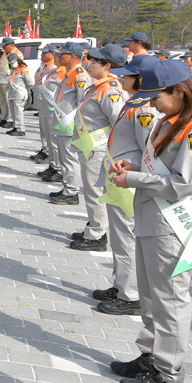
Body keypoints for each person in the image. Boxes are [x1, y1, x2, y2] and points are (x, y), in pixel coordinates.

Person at [107, 58, 192, 383]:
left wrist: (133, 179)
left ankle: (168, 374)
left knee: (170, 300)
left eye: (157, 97)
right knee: (150, 296)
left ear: (179, 92)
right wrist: (132, 166)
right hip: (152, 219)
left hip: (172, 224)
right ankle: (150, 355)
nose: (153, 105)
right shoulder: (171, 121)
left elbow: (182, 184)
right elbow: (160, 165)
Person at [93, 54, 158, 315]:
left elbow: (148, 150)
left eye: (128, 75)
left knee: (126, 236)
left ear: (141, 79)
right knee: (119, 236)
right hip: (119, 178)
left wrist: (134, 172)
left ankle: (130, 294)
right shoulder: (133, 102)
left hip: (128, 181)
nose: (122, 78)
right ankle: (121, 284)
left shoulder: (145, 109)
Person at [69, 44, 126, 251]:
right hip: (90, 146)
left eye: (94, 61)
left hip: (99, 148)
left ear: (107, 66)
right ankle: (94, 224)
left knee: (95, 191)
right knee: (90, 189)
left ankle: (97, 234)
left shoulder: (110, 90)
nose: (89, 64)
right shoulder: (97, 86)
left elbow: (118, 122)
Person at [46, 44, 90, 205]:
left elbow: (82, 102)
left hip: (70, 124)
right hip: (62, 123)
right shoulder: (69, 73)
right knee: (64, 158)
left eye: (62, 54)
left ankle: (71, 192)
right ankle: (67, 187)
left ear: (72, 56)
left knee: (70, 159)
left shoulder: (80, 75)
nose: (58, 56)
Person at [29, 44, 60, 165]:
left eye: (44, 53)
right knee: (43, 129)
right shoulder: (44, 66)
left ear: (52, 54)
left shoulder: (54, 68)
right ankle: (45, 149)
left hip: (50, 105)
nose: (41, 55)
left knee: (50, 132)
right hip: (43, 103)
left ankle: (50, 156)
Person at [5, 51, 30, 135]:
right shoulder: (13, 70)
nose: (11, 64)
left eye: (13, 62)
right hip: (12, 93)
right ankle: (16, 126)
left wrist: (28, 89)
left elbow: (30, 81)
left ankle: (20, 129)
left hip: (19, 94)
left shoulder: (23, 69)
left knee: (18, 111)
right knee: (13, 111)